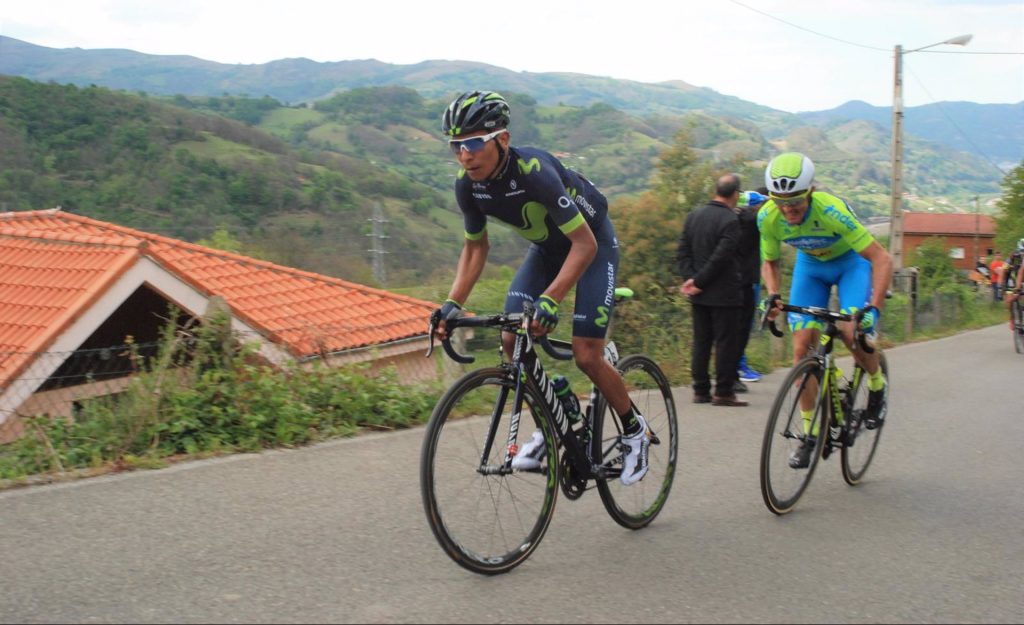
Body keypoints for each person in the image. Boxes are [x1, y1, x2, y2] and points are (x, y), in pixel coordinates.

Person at [433, 91, 650, 486]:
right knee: (511, 340)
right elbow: (476, 247)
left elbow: (585, 245)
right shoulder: (468, 186)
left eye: (473, 143)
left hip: (593, 244)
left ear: (502, 139)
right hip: (549, 250)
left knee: (587, 354)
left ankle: (635, 430)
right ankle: (552, 418)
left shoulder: (534, 172)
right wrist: (452, 303)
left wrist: (551, 298)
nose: (464, 155)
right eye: (456, 146)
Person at [758, 152, 893, 469]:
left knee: (850, 331)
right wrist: (773, 294)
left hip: (851, 266)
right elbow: (770, 261)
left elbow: (881, 258)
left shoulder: (831, 210)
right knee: (802, 349)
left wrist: (874, 309)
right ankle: (811, 433)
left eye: (796, 202)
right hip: (811, 268)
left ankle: (876, 386)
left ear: (810, 193)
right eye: (781, 202)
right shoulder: (767, 217)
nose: (788, 209)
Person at [677, 173, 748, 407]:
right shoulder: (730, 220)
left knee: (701, 341)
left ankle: (700, 389)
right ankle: (724, 391)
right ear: (735, 194)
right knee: (726, 343)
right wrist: (699, 282)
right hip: (724, 293)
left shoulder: (694, 216)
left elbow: (683, 251)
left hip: (698, 295)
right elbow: (721, 258)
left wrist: (691, 280)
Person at [734, 189, 770, 391]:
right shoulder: (752, 221)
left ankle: (740, 364)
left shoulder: (734, 218)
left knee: (738, 326)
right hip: (748, 279)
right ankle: (740, 366)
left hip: (739, 278)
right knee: (743, 326)